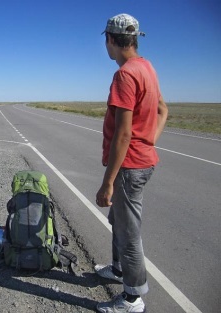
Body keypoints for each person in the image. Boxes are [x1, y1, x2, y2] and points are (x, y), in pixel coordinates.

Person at [94, 13, 168, 313]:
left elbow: (123, 134)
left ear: (111, 40)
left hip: (130, 166)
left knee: (129, 233)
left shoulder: (125, 75)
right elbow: (163, 110)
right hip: (141, 160)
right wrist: (149, 139)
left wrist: (108, 182)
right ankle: (118, 270)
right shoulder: (146, 67)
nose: (107, 47)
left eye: (107, 41)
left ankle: (132, 298)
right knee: (119, 221)